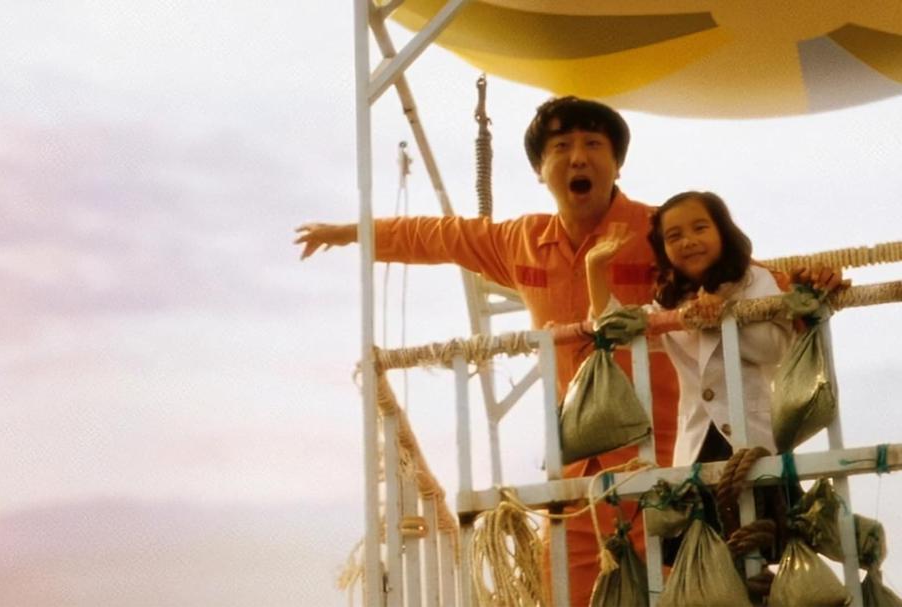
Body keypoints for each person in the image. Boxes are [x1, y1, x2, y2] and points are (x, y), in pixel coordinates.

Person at [295, 97, 842, 605]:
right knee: (569, 589)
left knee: (688, 587)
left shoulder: (659, 232)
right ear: (541, 170)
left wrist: (809, 286)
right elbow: (440, 236)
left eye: (593, 144)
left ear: (616, 164)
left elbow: (736, 273)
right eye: (561, 147)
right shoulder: (520, 242)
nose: (578, 156)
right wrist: (349, 233)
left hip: (667, 452)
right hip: (577, 464)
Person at [586, 191, 791, 467]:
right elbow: (616, 328)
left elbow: (774, 349)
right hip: (698, 444)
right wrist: (594, 268)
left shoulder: (753, 280)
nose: (688, 241)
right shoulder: (670, 304)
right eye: (674, 236)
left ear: (722, 231)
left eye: (700, 228)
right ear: (663, 249)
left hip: (755, 437)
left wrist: (724, 316)